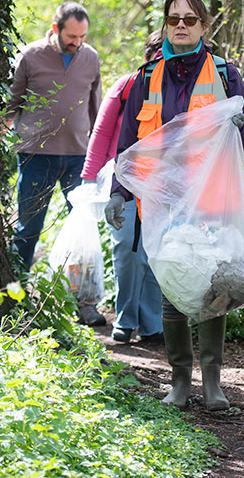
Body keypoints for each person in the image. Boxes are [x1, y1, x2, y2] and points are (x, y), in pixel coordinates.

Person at [104, 0, 244, 410]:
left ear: (204, 26)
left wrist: (241, 124)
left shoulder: (225, 73)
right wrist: (119, 192)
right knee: (173, 286)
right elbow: (128, 143)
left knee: (216, 284)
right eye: (174, 19)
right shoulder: (146, 77)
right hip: (164, 203)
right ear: (165, 25)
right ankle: (179, 381)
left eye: (191, 19)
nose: (182, 25)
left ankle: (212, 382)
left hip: (212, 199)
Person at [7, 1, 104, 325]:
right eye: (71, 36)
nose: (77, 42)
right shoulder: (31, 56)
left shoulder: (90, 58)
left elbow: (97, 111)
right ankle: (15, 298)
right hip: (36, 156)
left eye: (82, 36)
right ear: (55, 29)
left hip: (79, 158)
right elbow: (11, 103)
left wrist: (98, 155)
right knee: (28, 229)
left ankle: (85, 303)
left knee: (84, 231)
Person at [80, 30, 164, 344]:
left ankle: (152, 323)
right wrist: (89, 179)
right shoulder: (127, 86)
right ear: (147, 59)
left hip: (163, 186)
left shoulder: (180, 91)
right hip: (124, 183)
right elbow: (101, 135)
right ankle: (126, 319)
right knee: (127, 249)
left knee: (153, 254)